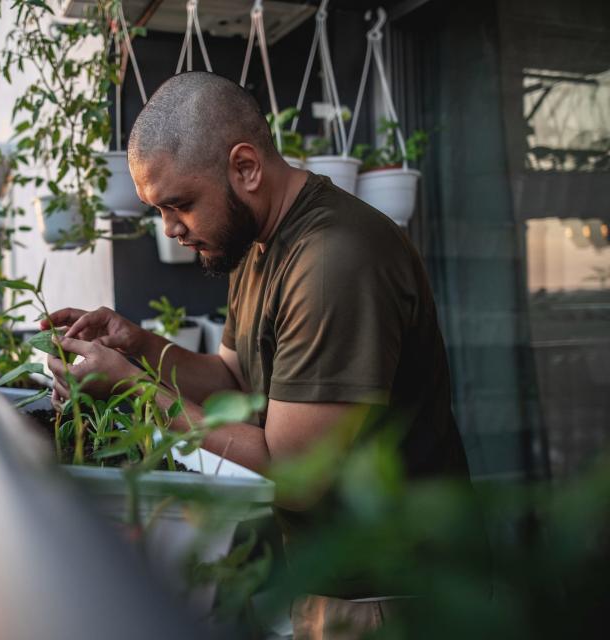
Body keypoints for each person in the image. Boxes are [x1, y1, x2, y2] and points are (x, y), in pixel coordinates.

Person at [41, 71, 470, 638]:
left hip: (395, 594)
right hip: (337, 584)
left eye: (181, 204)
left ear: (245, 168)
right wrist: (139, 347)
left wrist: (132, 391)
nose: (171, 229)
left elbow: (295, 475)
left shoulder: (332, 262)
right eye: (158, 211)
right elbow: (234, 385)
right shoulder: (253, 246)